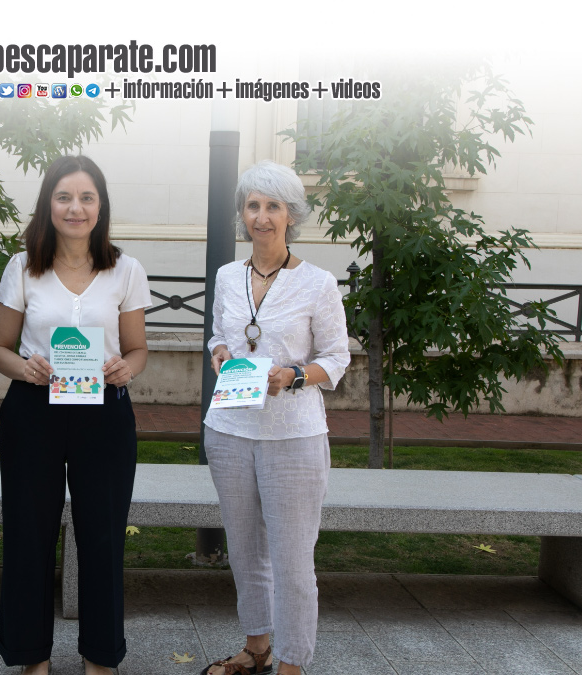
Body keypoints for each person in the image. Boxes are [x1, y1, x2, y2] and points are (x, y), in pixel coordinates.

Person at [0, 155, 150, 675]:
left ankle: (100, 656)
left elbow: (138, 350)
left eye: (86, 198)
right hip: (33, 410)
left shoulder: (126, 269)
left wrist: (126, 368)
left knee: (102, 536)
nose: (75, 208)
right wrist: (25, 368)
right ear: (48, 205)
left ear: (101, 206)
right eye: (63, 197)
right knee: (28, 533)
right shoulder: (23, 267)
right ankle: (30, 655)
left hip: (103, 413)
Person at [201, 161, 350, 675]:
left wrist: (293, 375)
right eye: (253, 206)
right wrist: (219, 352)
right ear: (242, 213)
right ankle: (257, 649)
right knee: (245, 552)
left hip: (293, 436)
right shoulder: (227, 276)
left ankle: (292, 663)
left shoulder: (318, 283)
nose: (261, 217)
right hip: (229, 431)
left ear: (291, 215)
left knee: (292, 559)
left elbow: (337, 359)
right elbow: (219, 334)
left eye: (273, 206)